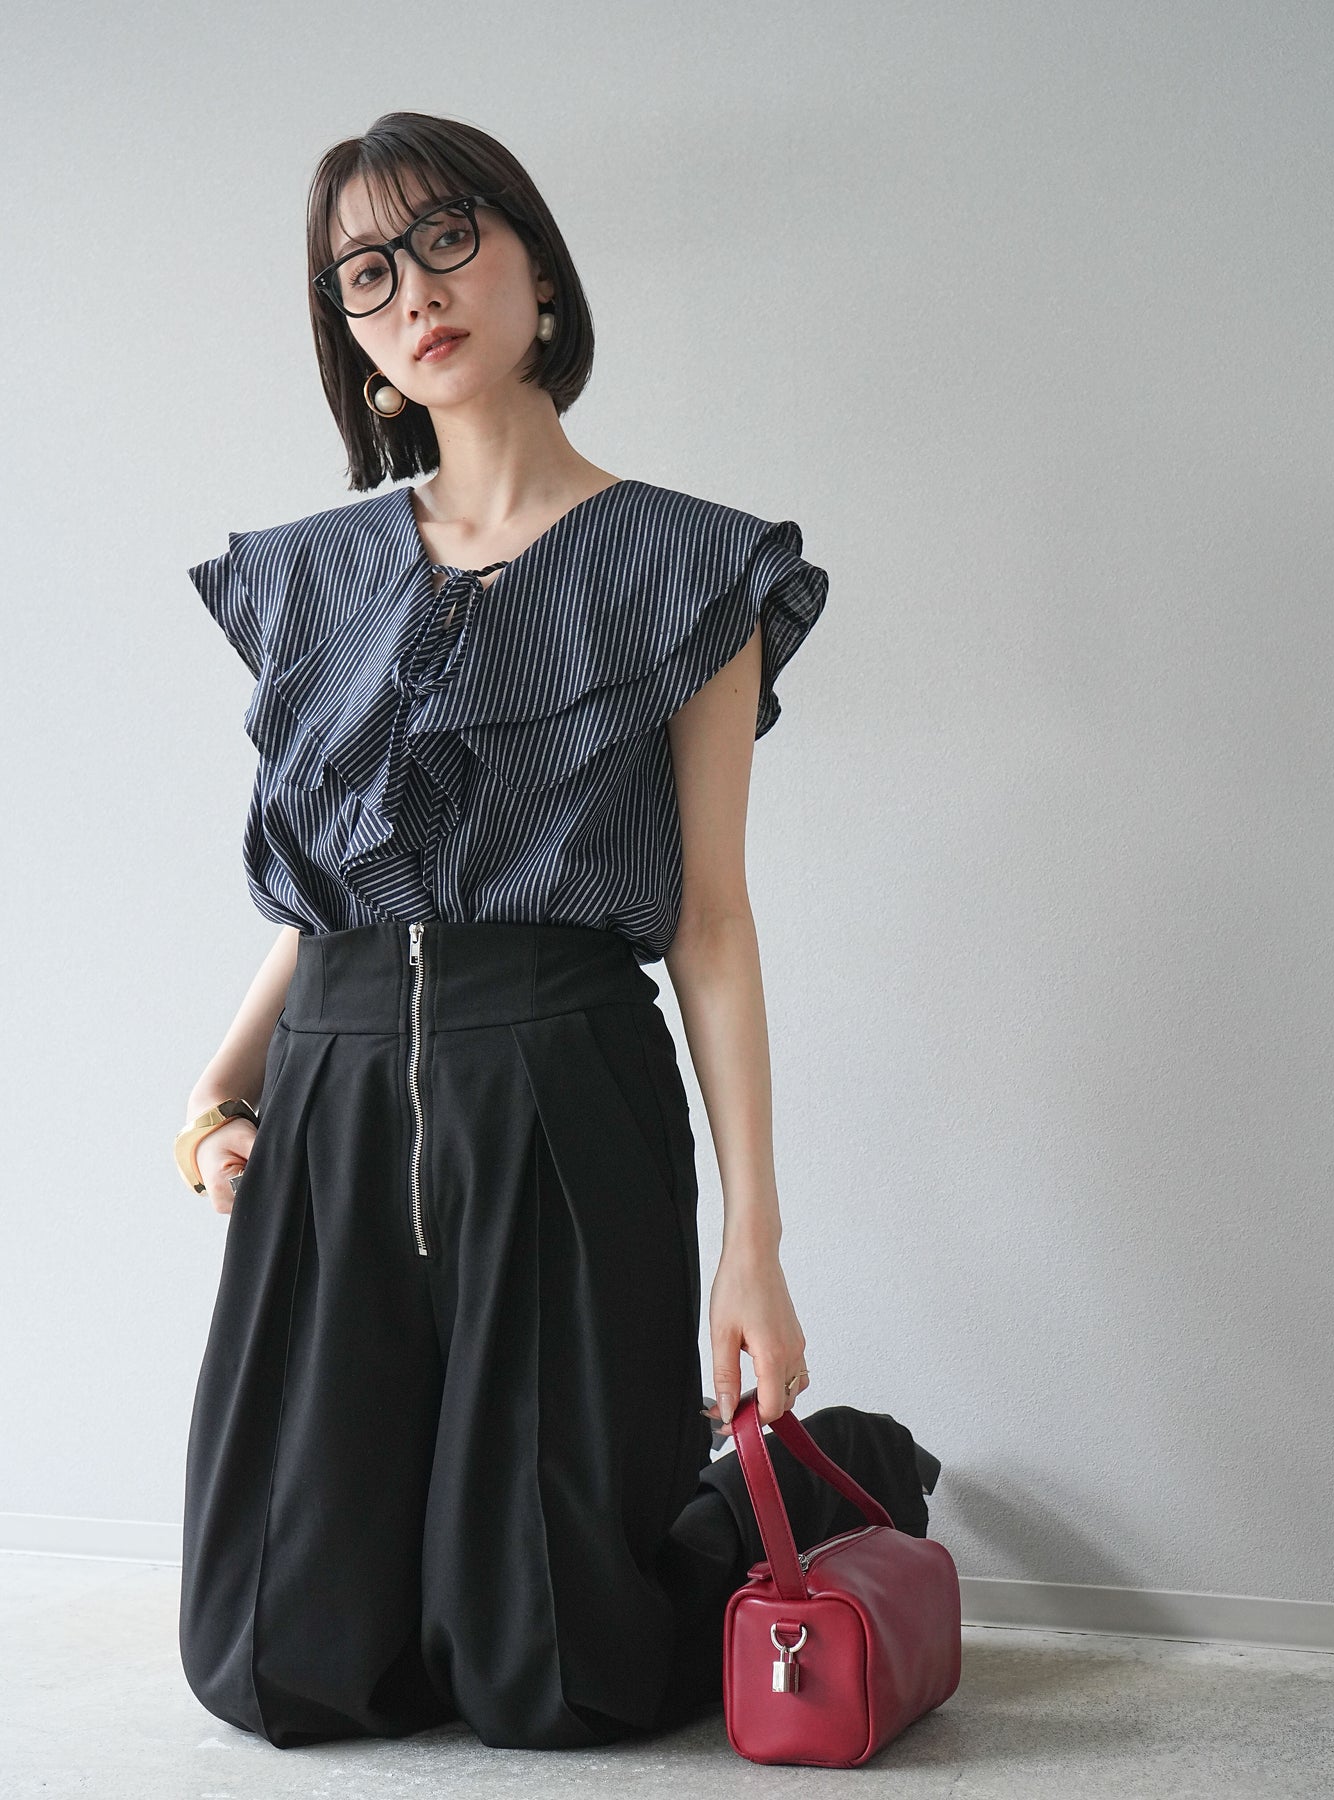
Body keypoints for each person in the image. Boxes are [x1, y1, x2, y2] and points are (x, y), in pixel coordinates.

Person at [173, 110, 939, 1753]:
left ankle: (840, 1472)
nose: (413, 291)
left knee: (557, 1682)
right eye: (364, 273)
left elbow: (709, 922)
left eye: (447, 239)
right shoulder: (309, 579)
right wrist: (221, 1087)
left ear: (536, 269)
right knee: (275, 1670)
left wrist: (753, 1243)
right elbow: (335, 895)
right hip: (335, 1095)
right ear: (352, 339)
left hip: (561, 1084)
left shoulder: (686, 567)